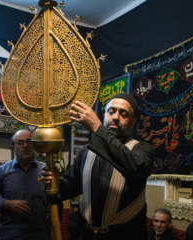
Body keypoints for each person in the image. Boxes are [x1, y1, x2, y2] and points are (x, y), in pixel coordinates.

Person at [42, 93, 155, 240]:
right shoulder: (88, 150)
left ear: (133, 122)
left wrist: (97, 128)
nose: (115, 117)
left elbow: (138, 168)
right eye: (111, 111)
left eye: (123, 113)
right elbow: (71, 187)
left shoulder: (142, 150)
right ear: (104, 115)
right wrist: (57, 183)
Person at [0, 129, 49, 240]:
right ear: (13, 147)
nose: (25, 146)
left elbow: (55, 199)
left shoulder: (45, 171)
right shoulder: (2, 171)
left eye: (29, 142)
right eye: (20, 143)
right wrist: (7, 203)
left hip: (39, 232)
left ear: (34, 145)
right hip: (9, 231)